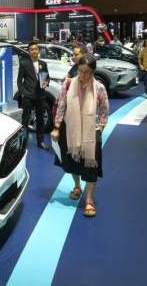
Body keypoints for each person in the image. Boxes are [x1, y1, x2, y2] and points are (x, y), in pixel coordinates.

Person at [51, 54, 109, 217]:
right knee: (73, 160)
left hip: (91, 131)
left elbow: (104, 109)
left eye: (87, 72)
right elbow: (61, 104)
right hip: (71, 129)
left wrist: (100, 128)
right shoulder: (68, 84)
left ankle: (89, 199)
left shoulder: (99, 87)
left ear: (93, 72)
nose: (83, 75)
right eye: (81, 71)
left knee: (91, 165)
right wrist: (56, 127)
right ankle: (77, 186)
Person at [18, 42, 50, 150]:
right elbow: (19, 81)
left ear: (38, 50)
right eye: (31, 49)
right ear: (29, 51)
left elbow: (47, 77)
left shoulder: (43, 64)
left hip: (40, 96)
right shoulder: (24, 63)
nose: (34, 51)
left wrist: (46, 83)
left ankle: (40, 142)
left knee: (40, 120)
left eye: (35, 49)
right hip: (28, 96)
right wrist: (23, 92)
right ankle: (23, 141)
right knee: (25, 119)